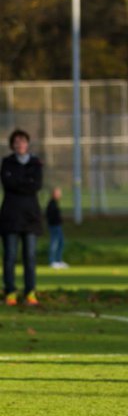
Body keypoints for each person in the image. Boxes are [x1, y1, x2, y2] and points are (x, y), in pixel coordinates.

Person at [1, 130, 43, 306]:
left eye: (23, 141)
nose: (20, 145)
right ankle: (10, 292)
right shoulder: (7, 163)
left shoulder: (35, 163)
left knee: (30, 257)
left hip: (30, 217)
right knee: (10, 257)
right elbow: (8, 183)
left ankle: (30, 292)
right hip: (10, 217)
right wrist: (25, 183)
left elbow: (36, 185)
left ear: (27, 144)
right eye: (16, 142)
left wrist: (19, 183)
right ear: (12, 145)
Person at [46, 187, 66, 270]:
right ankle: (52, 261)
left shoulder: (55, 203)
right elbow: (49, 216)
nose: (59, 195)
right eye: (58, 193)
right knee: (54, 243)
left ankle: (58, 260)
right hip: (54, 226)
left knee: (60, 243)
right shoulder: (51, 204)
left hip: (58, 225)